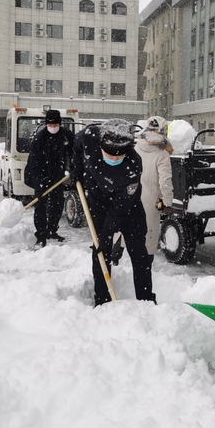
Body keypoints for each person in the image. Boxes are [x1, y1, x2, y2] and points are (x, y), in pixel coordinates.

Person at [70, 119, 156, 306]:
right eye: (110, 155)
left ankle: (146, 300)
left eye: (120, 156)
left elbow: (120, 208)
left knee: (139, 255)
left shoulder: (133, 165)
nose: (115, 160)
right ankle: (102, 300)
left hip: (129, 209)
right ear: (101, 144)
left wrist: (106, 233)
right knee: (100, 253)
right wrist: (76, 168)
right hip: (98, 204)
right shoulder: (90, 137)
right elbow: (76, 147)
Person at [24, 109, 74, 247]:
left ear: (59, 124)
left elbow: (74, 152)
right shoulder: (39, 138)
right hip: (41, 175)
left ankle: (52, 230)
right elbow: (34, 164)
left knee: (57, 204)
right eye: (50, 125)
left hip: (58, 176)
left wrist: (74, 168)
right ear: (46, 124)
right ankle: (41, 234)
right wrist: (39, 185)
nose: (53, 127)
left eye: (55, 124)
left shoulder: (66, 135)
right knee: (41, 205)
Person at [134, 116, 174, 259]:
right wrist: (167, 201)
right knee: (149, 235)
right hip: (150, 200)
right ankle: (145, 262)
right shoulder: (162, 154)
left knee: (131, 229)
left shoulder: (136, 147)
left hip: (133, 195)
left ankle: (119, 253)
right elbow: (165, 181)